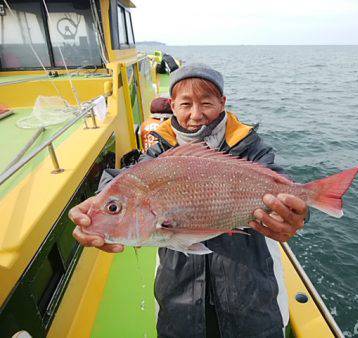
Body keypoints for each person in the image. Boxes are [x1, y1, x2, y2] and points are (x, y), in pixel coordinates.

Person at [69, 64, 308, 338]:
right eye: (185, 104)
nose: (196, 115)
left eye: (206, 103)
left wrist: (297, 214)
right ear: (172, 105)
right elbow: (124, 179)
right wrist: (99, 205)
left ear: (222, 103)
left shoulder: (251, 149)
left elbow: (283, 187)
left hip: (251, 301)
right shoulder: (160, 151)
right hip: (179, 303)